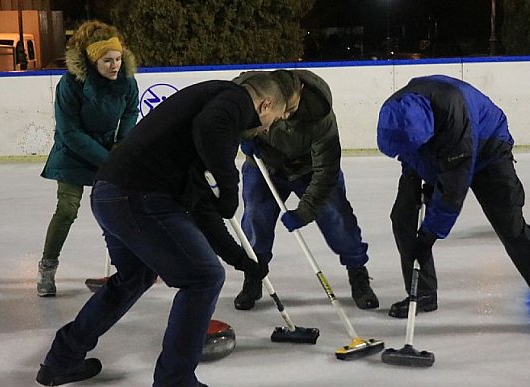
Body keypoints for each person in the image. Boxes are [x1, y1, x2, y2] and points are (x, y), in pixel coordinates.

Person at [35, 74, 287, 387]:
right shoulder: (234, 100)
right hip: (139, 196)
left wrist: (243, 261)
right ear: (264, 105)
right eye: (272, 120)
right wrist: (229, 185)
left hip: (110, 193)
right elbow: (210, 127)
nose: (266, 129)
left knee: (133, 277)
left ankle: (62, 360)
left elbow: (205, 212)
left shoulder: (206, 120)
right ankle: (175, 381)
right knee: (204, 278)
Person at [377, 74, 530, 338]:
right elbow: (408, 149)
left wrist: (428, 234)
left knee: (512, 229)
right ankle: (422, 292)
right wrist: (420, 173)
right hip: (437, 148)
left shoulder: (454, 114)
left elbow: (453, 189)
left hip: (488, 149)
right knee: (402, 217)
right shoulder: (395, 113)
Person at [232, 69, 379, 311]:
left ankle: (357, 273)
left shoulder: (321, 117)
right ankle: (254, 275)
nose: (286, 115)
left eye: (291, 109)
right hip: (264, 166)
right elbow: (226, 110)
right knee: (256, 216)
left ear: (301, 91)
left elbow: (326, 172)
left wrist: (305, 211)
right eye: (283, 110)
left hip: (309, 169)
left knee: (338, 218)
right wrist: (243, 134)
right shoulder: (253, 90)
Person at [37, 20, 139, 297]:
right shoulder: (70, 84)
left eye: (118, 59)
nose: (115, 65)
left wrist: (121, 148)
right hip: (73, 153)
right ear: (93, 60)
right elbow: (69, 131)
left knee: (116, 208)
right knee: (67, 209)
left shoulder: (127, 82)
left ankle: (127, 266)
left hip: (109, 151)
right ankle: (47, 268)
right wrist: (107, 159)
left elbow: (130, 113)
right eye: (107, 60)